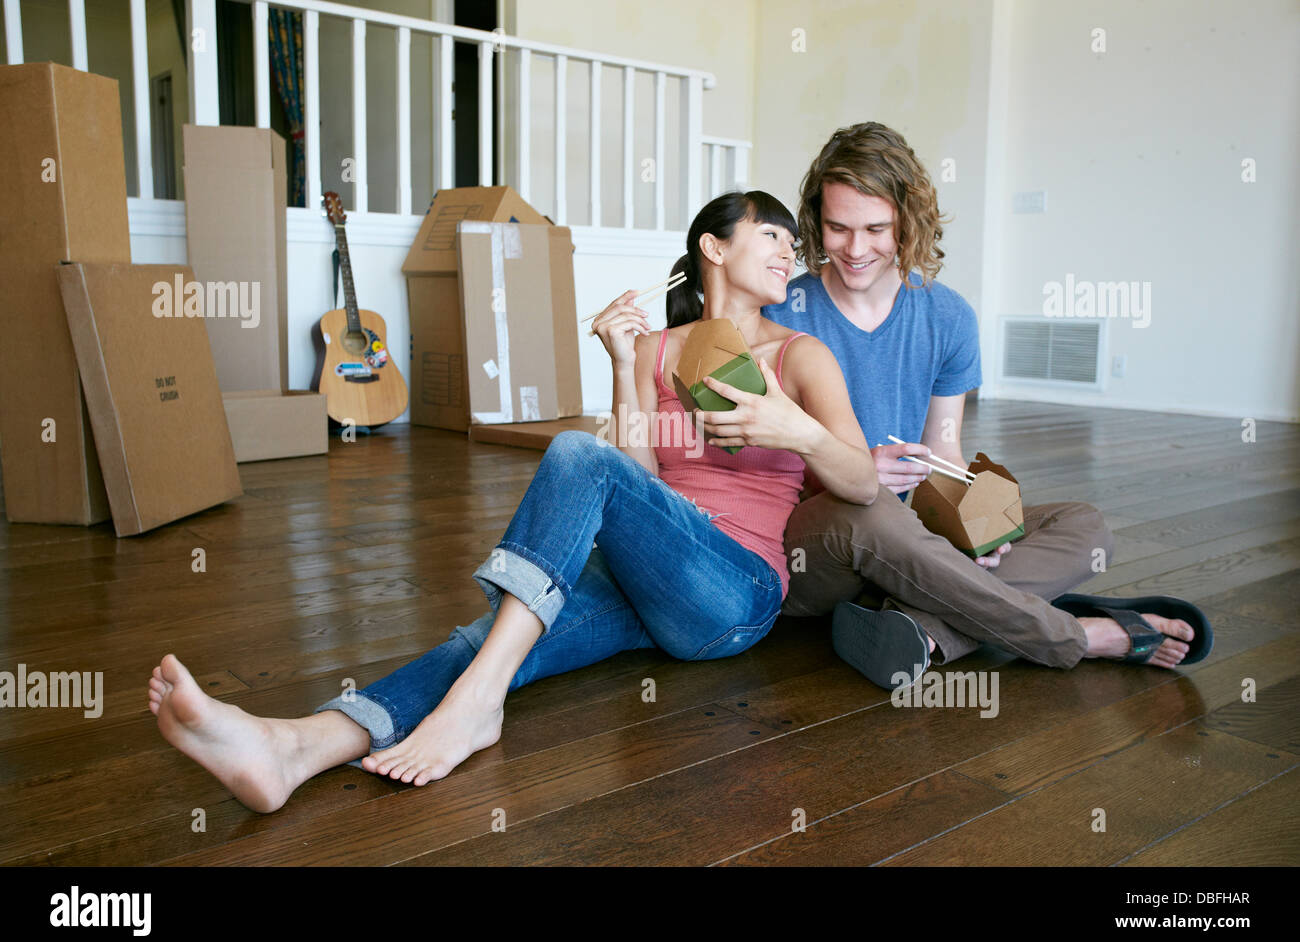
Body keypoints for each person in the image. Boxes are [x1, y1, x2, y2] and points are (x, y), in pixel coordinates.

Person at [147, 190, 875, 813]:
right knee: (496, 640)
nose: (790, 252)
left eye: (791, 241)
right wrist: (623, 366)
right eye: (773, 234)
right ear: (713, 248)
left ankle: (474, 708)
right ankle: (295, 747)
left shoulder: (798, 356)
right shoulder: (655, 348)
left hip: (733, 591)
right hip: (647, 567)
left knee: (572, 460)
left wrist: (796, 427)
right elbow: (642, 479)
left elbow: (864, 482)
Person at [756, 122, 1208, 687]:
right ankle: (1080, 636)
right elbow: (759, 466)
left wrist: (973, 535)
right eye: (837, 227)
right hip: (824, 538)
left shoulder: (947, 316)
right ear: (816, 223)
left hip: (912, 529)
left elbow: (943, 448)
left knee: (1085, 526)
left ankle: (920, 629)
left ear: (907, 221)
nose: (855, 248)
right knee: (869, 506)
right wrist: (850, 469)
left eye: (876, 228)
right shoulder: (782, 310)